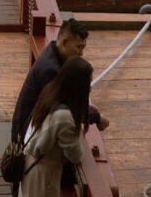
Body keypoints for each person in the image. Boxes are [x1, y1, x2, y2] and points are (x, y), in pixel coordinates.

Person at [10, 20, 108, 144]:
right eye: (78, 47)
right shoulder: (50, 70)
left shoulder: (53, 51)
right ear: (64, 42)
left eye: (83, 48)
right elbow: (65, 108)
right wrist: (97, 118)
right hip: (26, 136)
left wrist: (84, 106)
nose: (81, 53)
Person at [17, 56, 94, 197]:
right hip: (42, 174)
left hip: (29, 163)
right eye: (88, 85)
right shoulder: (64, 117)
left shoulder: (50, 91)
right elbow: (75, 154)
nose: (89, 89)